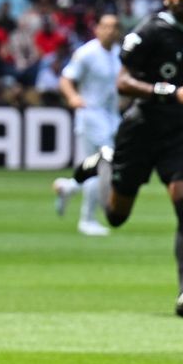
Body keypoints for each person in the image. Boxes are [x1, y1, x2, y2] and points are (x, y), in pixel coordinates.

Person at [72, 0, 183, 317]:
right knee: (117, 216)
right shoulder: (149, 30)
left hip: (176, 133)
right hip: (141, 128)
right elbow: (123, 83)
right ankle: (105, 161)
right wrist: (171, 93)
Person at [53, 13, 122, 236]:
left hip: (111, 116)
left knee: (97, 165)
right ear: (98, 29)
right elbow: (66, 78)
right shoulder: (87, 53)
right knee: (103, 164)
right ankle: (87, 219)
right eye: (107, 26)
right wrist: (73, 97)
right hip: (91, 114)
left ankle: (68, 187)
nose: (111, 31)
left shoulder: (118, 54)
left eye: (115, 27)